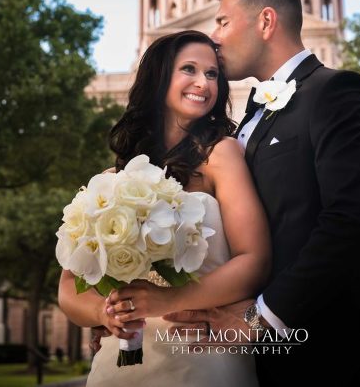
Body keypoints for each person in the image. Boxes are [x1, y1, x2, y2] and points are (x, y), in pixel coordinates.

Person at [156, 0, 360, 387]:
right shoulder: (243, 126)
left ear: (266, 21)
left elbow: (353, 222)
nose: (214, 37)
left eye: (222, 21)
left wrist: (260, 319)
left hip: (335, 358)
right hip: (258, 363)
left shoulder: (338, 92)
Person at [58, 29, 271, 387]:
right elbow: (68, 285)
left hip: (201, 354)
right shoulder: (112, 178)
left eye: (212, 74)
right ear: (159, 78)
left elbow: (254, 261)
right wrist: (103, 313)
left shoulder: (221, 154)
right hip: (122, 361)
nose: (203, 83)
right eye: (188, 69)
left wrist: (166, 300)